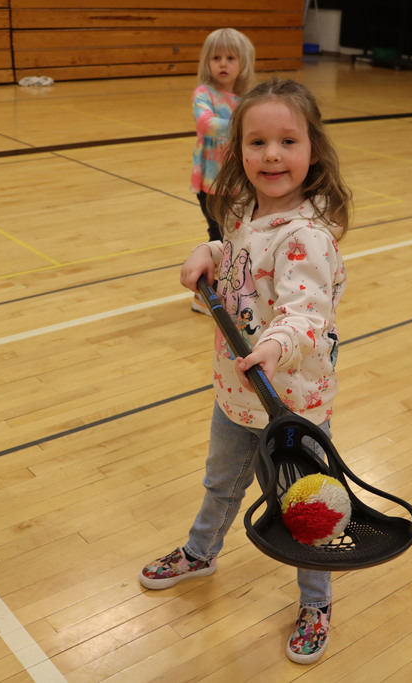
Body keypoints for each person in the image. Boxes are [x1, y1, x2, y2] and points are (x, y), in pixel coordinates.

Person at [141, 78, 352, 665]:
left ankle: (317, 600)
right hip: (237, 395)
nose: (272, 155)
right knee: (220, 482)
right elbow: (232, 259)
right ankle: (201, 552)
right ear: (239, 151)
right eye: (258, 142)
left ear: (313, 152)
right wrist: (204, 254)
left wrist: (274, 346)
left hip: (292, 403)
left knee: (302, 511)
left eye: (288, 141)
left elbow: (305, 313)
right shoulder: (243, 213)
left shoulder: (304, 237)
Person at [189, 28, 255, 314]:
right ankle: (203, 295)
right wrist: (245, 128)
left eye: (230, 57)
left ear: (243, 64)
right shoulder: (204, 94)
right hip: (210, 185)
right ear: (207, 62)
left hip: (238, 185)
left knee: (236, 237)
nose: (223, 63)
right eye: (217, 57)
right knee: (217, 236)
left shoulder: (245, 102)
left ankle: (229, 288)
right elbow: (205, 123)